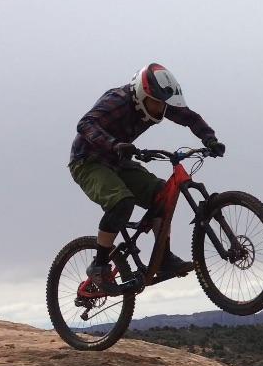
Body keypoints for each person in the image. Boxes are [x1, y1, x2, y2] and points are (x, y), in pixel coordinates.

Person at [68, 63, 225, 290]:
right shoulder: (118, 101)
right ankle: (99, 265)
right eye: (157, 103)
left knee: (163, 194)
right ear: (143, 94)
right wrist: (114, 145)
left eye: (164, 104)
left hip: (118, 161)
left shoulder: (157, 102)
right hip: (88, 161)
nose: (161, 109)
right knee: (122, 202)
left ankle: (163, 258)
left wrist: (209, 139)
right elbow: (85, 124)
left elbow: (189, 117)